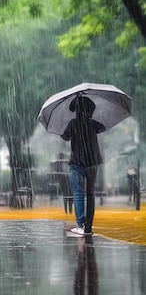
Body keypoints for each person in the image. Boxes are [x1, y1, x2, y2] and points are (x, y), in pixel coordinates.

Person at [61, 96, 105, 236]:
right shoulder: (93, 124)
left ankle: (81, 225)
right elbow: (102, 127)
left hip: (76, 163)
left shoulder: (73, 124)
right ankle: (88, 227)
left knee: (79, 195)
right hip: (92, 162)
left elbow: (65, 136)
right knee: (90, 194)